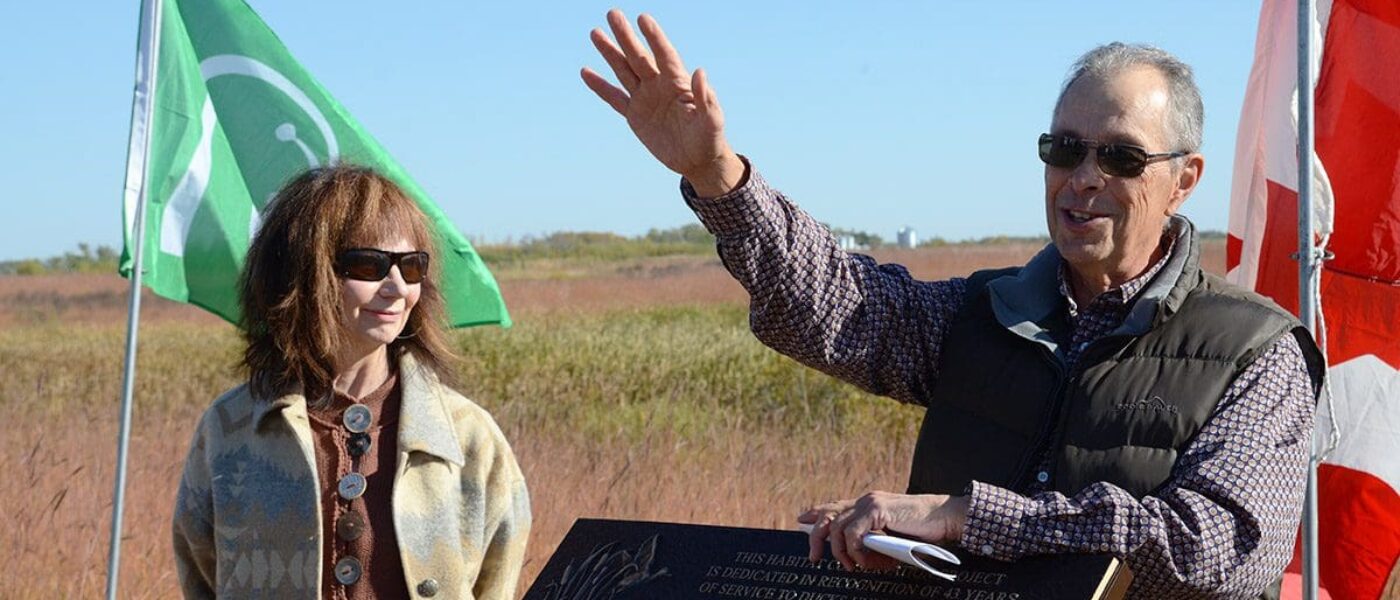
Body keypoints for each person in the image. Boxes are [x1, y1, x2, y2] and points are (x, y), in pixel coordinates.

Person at [582, 10, 1324, 599]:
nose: (1084, 177)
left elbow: (1214, 553)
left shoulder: (1254, 352)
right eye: (1065, 149)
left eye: (1121, 157)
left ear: (1184, 179)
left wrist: (961, 517)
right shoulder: (987, 311)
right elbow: (841, 306)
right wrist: (718, 177)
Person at [172, 166, 531, 599]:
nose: (397, 287)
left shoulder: (468, 436)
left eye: (413, 266)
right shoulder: (230, 428)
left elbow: (497, 582)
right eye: (370, 265)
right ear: (304, 273)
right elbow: (202, 575)